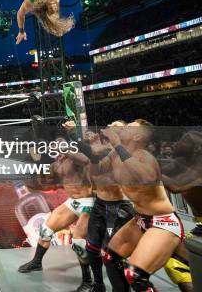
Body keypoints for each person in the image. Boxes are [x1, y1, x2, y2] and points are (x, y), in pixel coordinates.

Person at [100, 120, 184, 292]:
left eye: (129, 126)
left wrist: (116, 144)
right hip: (139, 219)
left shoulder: (145, 157)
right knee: (110, 257)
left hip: (163, 222)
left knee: (135, 275)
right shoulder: (116, 155)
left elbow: (146, 177)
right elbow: (96, 168)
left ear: (137, 136)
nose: (124, 127)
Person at [64, 120, 136, 292]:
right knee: (92, 247)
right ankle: (97, 284)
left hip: (119, 206)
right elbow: (87, 156)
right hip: (100, 204)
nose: (110, 125)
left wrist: (73, 134)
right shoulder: (102, 147)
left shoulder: (119, 150)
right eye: (110, 124)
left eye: (115, 125)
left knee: (113, 254)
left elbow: (93, 156)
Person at [19, 135, 95, 292]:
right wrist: (38, 161)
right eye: (55, 145)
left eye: (61, 144)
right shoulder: (55, 165)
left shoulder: (75, 160)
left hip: (88, 202)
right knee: (45, 229)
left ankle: (88, 280)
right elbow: (44, 183)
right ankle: (37, 262)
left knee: (78, 242)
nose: (57, 147)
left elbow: (86, 160)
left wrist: (66, 149)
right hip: (72, 202)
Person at [160, 130, 202, 292]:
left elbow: (176, 187)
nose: (178, 142)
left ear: (196, 149)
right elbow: (160, 170)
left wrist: (147, 169)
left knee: (178, 260)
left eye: (184, 140)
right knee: (176, 260)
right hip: (200, 224)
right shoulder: (182, 162)